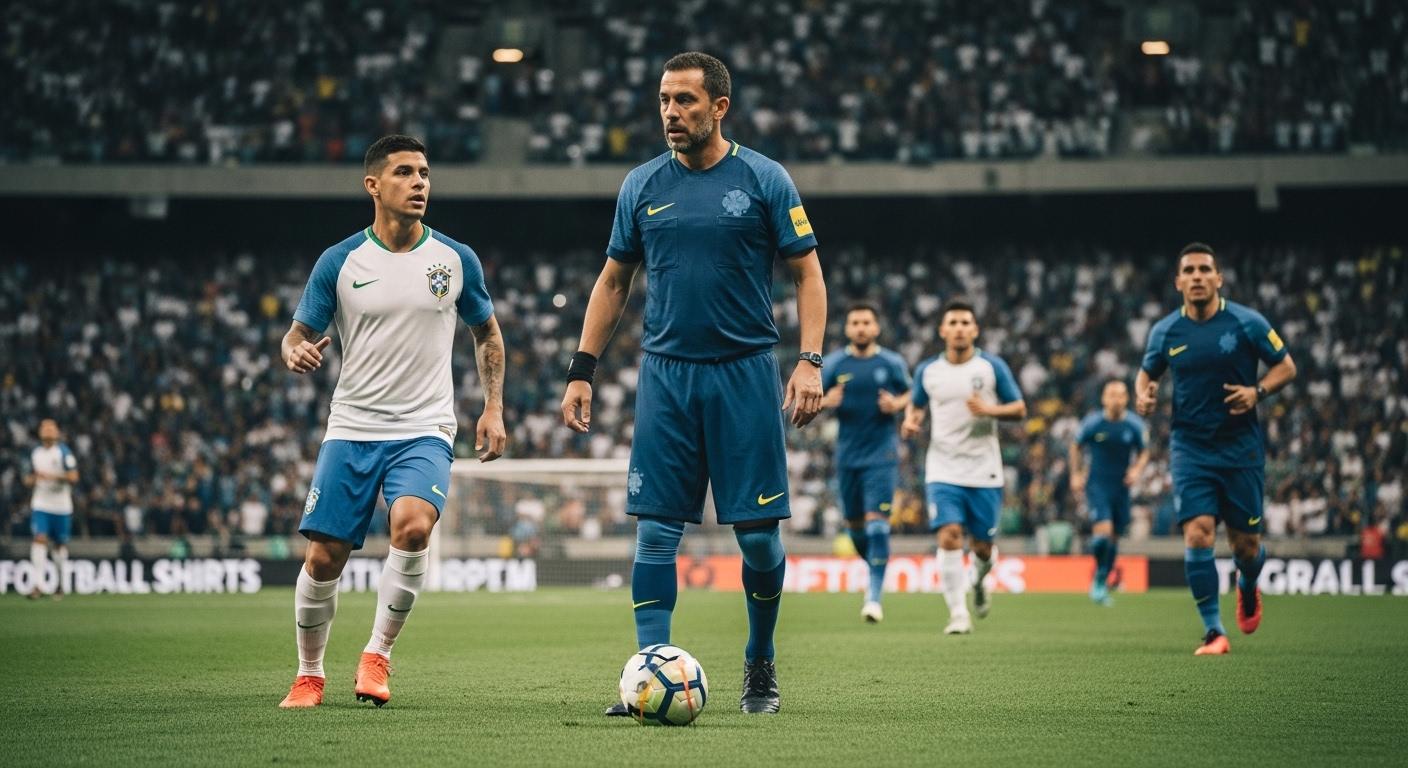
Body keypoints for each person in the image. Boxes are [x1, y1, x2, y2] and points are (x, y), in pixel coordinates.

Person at [560, 52, 826, 716]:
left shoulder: (765, 179)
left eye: (684, 100)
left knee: (759, 538)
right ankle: (649, 672)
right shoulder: (641, 186)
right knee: (655, 534)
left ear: (719, 107)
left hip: (744, 374)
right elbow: (614, 281)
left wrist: (810, 359)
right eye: (663, 101)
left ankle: (759, 661)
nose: (671, 113)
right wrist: (582, 370)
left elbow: (808, 274)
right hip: (667, 377)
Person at [277, 134, 507, 708]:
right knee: (324, 556)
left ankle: (377, 655)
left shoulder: (454, 259)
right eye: (404, 173)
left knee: (411, 527)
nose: (420, 183)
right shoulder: (340, 260)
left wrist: (494, 407)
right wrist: (294, 352)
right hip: (353, 425)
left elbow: (488, 334)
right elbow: (296, 334)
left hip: (424, 426)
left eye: (425, 173)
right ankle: (309, 674)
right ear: (373, 186)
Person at [1135, 242, 1297, 655]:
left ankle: (1247, 583)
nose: (1197, 277)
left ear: (1218, 278)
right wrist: (1144, 396)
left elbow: (1287, 366)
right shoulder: (1165, 331)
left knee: (1246, 547)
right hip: (1190, 447)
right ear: (1178, 282)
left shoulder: (1247, 322)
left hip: (1240, 448)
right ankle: (1214, 632)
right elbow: (1145, 374)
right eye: (1188, 270)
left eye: (1205, 269)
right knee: (1198, 532)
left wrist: (1257, 391)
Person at [901, 300, 1026, 635]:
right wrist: (911, 424)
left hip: (984, 470)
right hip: (943, 468)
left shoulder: (991, 367)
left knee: (983, 548)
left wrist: (989, 410)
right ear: (943, 330)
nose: (958, 328)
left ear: (975, 329)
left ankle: (980, 581)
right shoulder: (929, 371)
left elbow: (1019, 408)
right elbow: (915, 408)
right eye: (952, 322)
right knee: (949, 535)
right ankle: (958, 613)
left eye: (964, 322)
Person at [820, 303, 910, 623]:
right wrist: (825, 401)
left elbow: (912, 395)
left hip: (882, 455)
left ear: (876, 328)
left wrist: (896, 403)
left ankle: (874, 597)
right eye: (855, 322)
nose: (861, 327)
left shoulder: (891, 363)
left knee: (877, 526)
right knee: (857, 530)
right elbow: (813, 397)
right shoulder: (834, 364)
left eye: (866, 322)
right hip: (848, 457)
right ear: (847, 329)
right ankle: (875, 569)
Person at [1069, 379, 1150, 606]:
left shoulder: (1134, 425)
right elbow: (1075, 445)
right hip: (1097, 484)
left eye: (1121, 395)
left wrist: (1136, 470)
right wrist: (1075, 474)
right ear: (1104, 398)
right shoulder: (1093, 423)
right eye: (1111, 395)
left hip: (1121, 487)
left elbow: (1144, 452)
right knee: (1102, 533)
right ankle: (1098, 579)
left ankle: (1103, 579)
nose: (1116, 399)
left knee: (1114, 537)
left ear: (1127, 398)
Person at [24, 419, 79, 600]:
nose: (48, 430)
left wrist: (52, 476)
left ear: (57, 432)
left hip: (61, 506)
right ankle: (38, 585)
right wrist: (33, 479)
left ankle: (60, 584)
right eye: (45, 427)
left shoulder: (64, 452)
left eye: (51, 427)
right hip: (41, 504)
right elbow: (27, 480)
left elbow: (73, 477)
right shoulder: (35, 454)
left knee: (59, 546)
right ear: (40, 432)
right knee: (39, 539)